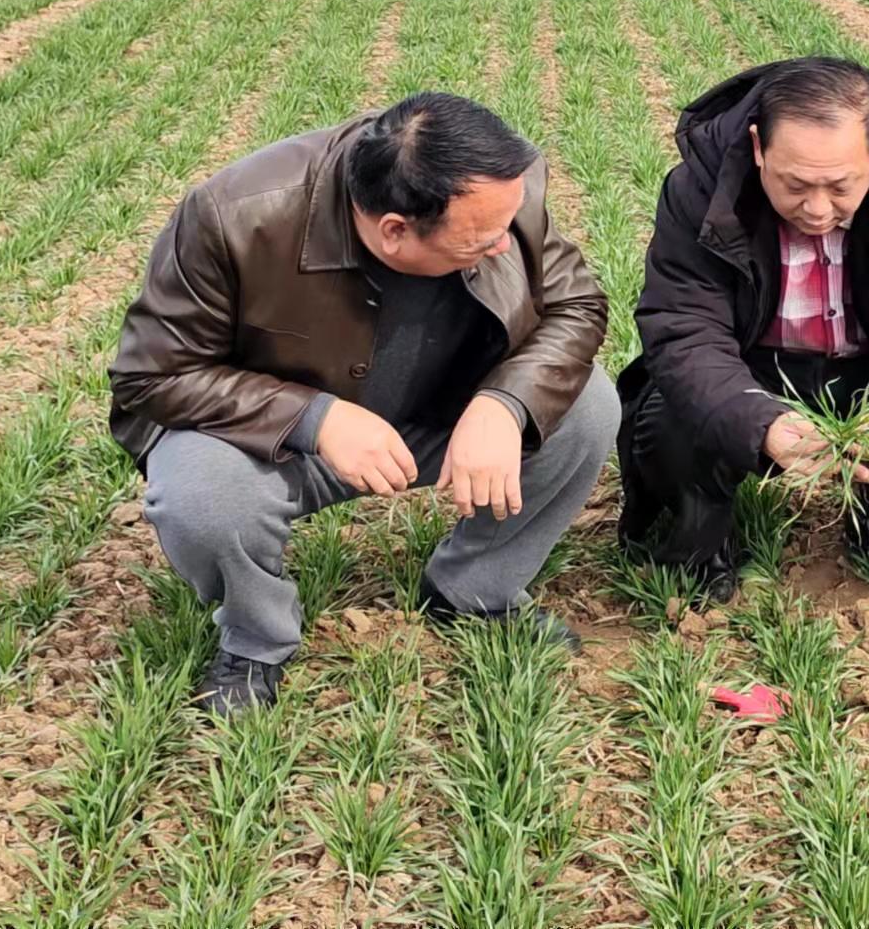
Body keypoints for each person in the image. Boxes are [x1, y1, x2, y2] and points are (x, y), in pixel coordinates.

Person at [110, 92, 614, 715]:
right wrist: (313, 418)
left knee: (586, 405)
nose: (505, 247)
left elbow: (576, 306)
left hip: (439, 409)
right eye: (480, 241)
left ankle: (474, 591)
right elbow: (153, 375)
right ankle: (255, 638)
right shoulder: (234, 218)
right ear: (394, 230)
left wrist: (504, 405)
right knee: (202, 497)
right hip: (274, 443)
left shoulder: (499, 194)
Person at [617, 57, 869, 601]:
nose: (818, 209)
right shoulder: (699, 190)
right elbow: (685, 330)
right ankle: (701, 544)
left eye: (840, 186)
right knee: (673, 416)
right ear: (758, 149)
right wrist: (757, 421)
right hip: (754, 370)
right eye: (794, 184)